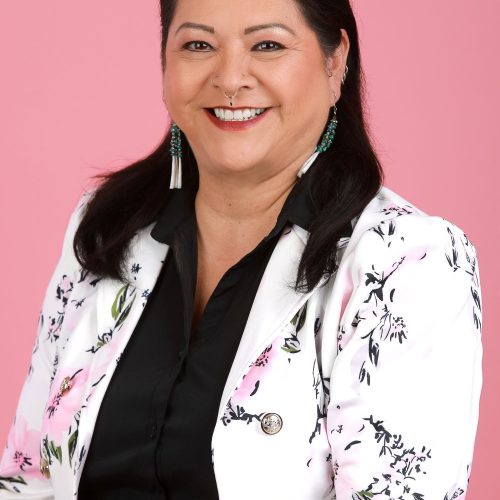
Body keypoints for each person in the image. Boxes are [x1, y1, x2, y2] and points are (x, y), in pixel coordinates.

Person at [0, 0, 482, 498]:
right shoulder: (107, 227)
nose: (230, 79)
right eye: (198, 45)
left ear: (335, 61)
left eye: (267, 45)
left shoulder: (408, 263)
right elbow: (27, 480)